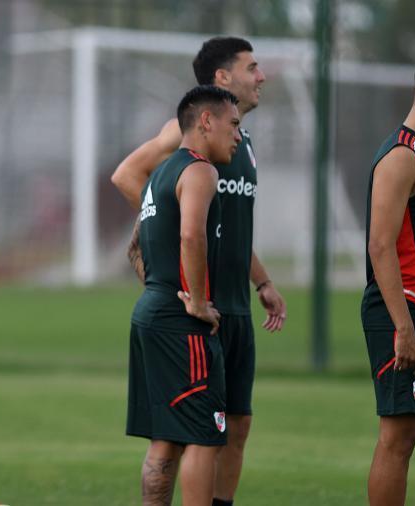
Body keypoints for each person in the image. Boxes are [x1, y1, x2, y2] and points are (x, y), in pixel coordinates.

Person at [111, 37, 286, 506]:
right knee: (197, 428)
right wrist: (158, 236)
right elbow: (129, 175)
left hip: (235, 303)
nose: (261, 76)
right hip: (195, 305)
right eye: (252, 67)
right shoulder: (183, 134)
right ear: (222, 78)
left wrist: (262, 280)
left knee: (236, 422)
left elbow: (225, 228)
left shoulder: (238, 144)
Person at [127, 84, 241, 506]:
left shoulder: (159, 174)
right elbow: (191, 234)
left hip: (151, 313)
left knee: (166, 439)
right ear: (206, 121)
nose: (237, 135)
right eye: (233, 124)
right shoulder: (200, 171)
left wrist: (159, 290)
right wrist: (193, 299)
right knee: (204, 435)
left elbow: (133, 248)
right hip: (181, 323)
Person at [361, 64, 415, 506]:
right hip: (402, 309)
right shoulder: (401, 155)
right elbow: (380, 245)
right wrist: (404, 328)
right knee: (399, 433)